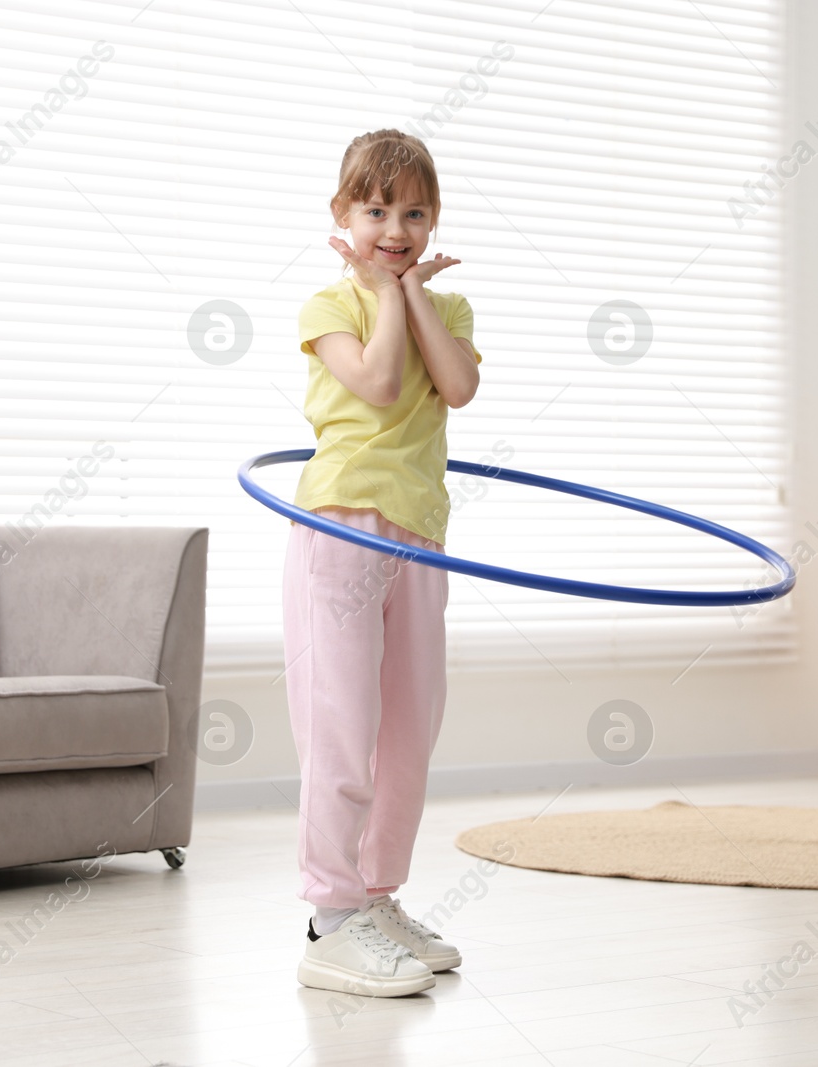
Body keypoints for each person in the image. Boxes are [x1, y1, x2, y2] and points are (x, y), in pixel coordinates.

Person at [283, 128, 482, 997]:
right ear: (342, 216)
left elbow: (459, 386)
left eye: (412, 212)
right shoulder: (329, 308)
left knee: (409, 725)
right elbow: (376, 382)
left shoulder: (452, 311)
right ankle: (330, 916)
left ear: (433, 222)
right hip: (342, 525)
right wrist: (386, 293)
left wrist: (415, 296)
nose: (394, 228)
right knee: (343, 719)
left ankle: (376, 894)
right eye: (375, 210)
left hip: (419, 532)